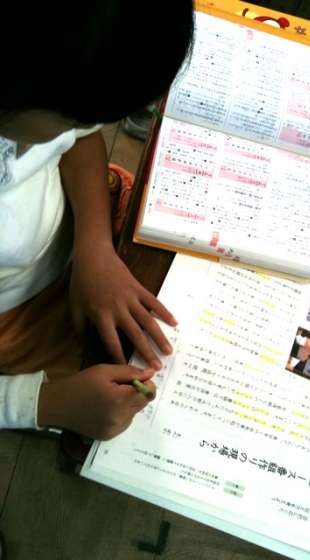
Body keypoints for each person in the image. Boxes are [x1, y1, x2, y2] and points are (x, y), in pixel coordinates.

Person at [0, 2, 194, 441]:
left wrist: (94, 249)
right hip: (16, 317)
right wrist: (45, 403)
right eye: (74, 117)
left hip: (79, 229)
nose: (90, 126)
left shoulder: (44, 81)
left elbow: (78, 141)